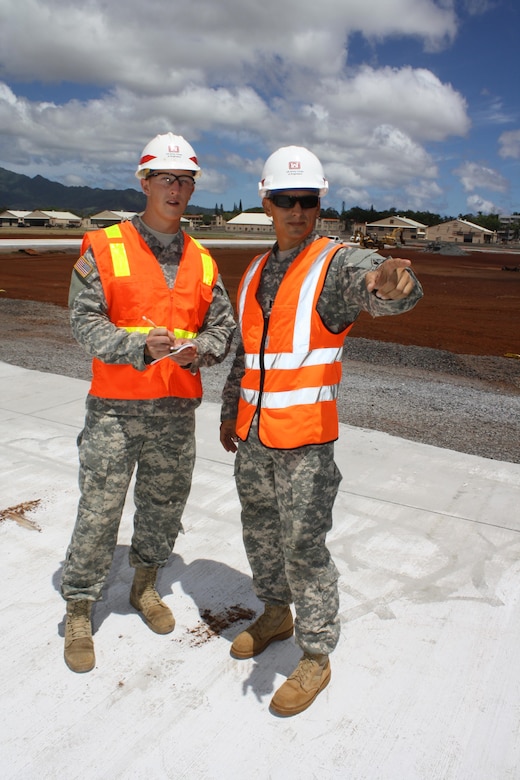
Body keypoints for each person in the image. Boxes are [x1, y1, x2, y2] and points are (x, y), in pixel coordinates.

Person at [219, 146, 423, 716]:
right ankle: (276, 614)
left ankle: (315, 654)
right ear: (266, 201)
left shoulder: (334, 264)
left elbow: (378, 287)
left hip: (305, 442)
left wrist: (390, 285)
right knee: (260, 537)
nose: (296, 210)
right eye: (285, 200)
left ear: (318, 203)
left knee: (304, 549)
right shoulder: (258, 268)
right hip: (255, 438)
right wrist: (230, 413)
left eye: (307, 200)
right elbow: (249, 352)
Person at [61, 133, 236, 673]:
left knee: (163, 508)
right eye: (167, 178)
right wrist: (136, 346)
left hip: (175, 414)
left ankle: (144, 588)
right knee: (99, 513)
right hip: (115, 409)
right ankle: (79, 608)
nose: (177, 189)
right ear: (145, 182)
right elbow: (83, 323)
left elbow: (224, 329)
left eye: (186, 180)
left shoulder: (203, 260)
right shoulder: (105, 246)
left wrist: (200, 350)